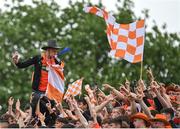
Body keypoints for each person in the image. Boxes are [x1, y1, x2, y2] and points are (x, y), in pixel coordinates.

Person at [12, 40, 63, 116]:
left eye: (56, 51)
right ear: (48, 50)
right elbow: (22, 65)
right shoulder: (38, 58)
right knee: (34, 113)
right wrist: (16, 62)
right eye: (54, 51)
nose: (56, 53)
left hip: (50, 92)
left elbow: (60, 76)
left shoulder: (57, 62)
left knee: (51, 113)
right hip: (38, 91)